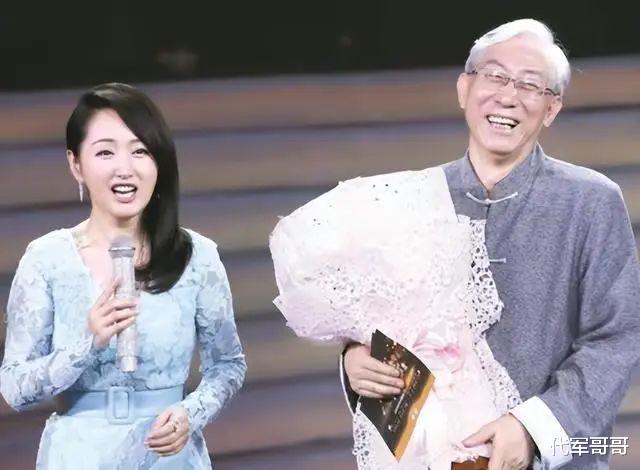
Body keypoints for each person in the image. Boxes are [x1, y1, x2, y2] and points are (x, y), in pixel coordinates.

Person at [341, 19, 640, 469]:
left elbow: (617, 337)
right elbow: (383, 321)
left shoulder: (591, 201)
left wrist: (532, 429)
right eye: (495, 76)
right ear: (464, 89)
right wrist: (356, 359)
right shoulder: (411, 200)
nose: (508, 96)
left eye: (530, 85)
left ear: (551, 108)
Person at [0, 83, 247, 469]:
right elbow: (15, 388)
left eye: (140, 150)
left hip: (168, 456)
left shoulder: (197, 255)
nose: (125, 168)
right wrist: (87, 345)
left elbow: (228, 365)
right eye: (105, 152)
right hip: (79, 455)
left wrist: (190, 414)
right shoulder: (46, 259)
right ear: (76, 164)